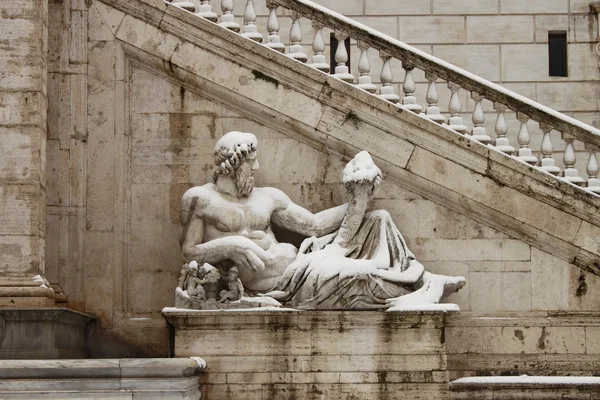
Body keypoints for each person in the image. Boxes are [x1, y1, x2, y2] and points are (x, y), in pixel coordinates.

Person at [180, 131, 464, 309]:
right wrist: (231, 246)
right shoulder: (201, 199)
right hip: (282, 284)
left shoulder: (269, 197)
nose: (257, 167)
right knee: (358, 274)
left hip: (302, 262)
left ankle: (424, 279)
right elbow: (189, 251)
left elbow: (313, 225)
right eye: (251, 161)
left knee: (378, 218)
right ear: (233, 164)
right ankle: (420, 288)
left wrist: (357, 199)